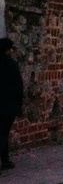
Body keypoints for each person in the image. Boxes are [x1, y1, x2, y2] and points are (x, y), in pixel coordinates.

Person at [0, 37, 24, 170]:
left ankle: (5, 160)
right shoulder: (12, 65)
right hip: (8, 105)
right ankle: (4, 160)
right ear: (7, 50)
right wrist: (19, 105)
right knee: (3, 133)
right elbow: (18, 87)